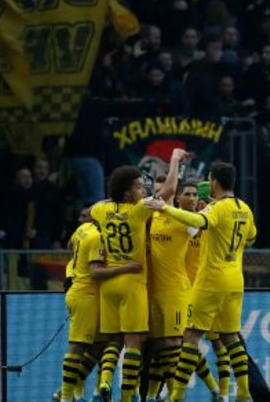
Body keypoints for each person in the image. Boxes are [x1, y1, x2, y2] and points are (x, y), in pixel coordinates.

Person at [150, 161, 256, 402]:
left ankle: (177, 395)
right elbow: (251, 238)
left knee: (190, 335)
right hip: (235, 280)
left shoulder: (216, 208)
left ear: (214, 182)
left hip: (211, 280)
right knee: (230, 336)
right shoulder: (244, 208)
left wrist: (164, 208)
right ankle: (243, 392)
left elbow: (198, 222)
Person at [90, 150, 187, 402]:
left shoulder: (101, 209)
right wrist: (174, 160)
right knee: (134, 341)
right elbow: (169, 190)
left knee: (113, 340)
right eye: (137, 187)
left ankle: (104, 381)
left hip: (108, 285)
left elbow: (92, 211)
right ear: (126, 193)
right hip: (132, 283)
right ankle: (126, 396)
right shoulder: (138, 211)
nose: (142, 191)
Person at [145, 177, 222, 402]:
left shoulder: (191, 222)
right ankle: (154, 395)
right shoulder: (153, 218)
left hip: (184, 290)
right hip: (157, 291)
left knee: (182, 344)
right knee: (162, 346)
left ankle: (210, 392)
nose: (191, 198)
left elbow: (201, 223)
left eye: (194, 194)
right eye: (187, 194)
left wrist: (210, 205)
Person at [59, 207, 142, 402]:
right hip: (86, 294)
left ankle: (86, 392)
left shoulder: (83, 229)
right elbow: (95, 272)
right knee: (77, 346)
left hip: (81, 292)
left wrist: (74, 269)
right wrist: (126, 268)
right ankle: (65, 396)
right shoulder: (98, 238)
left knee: (100, 345)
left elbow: (70, 244)